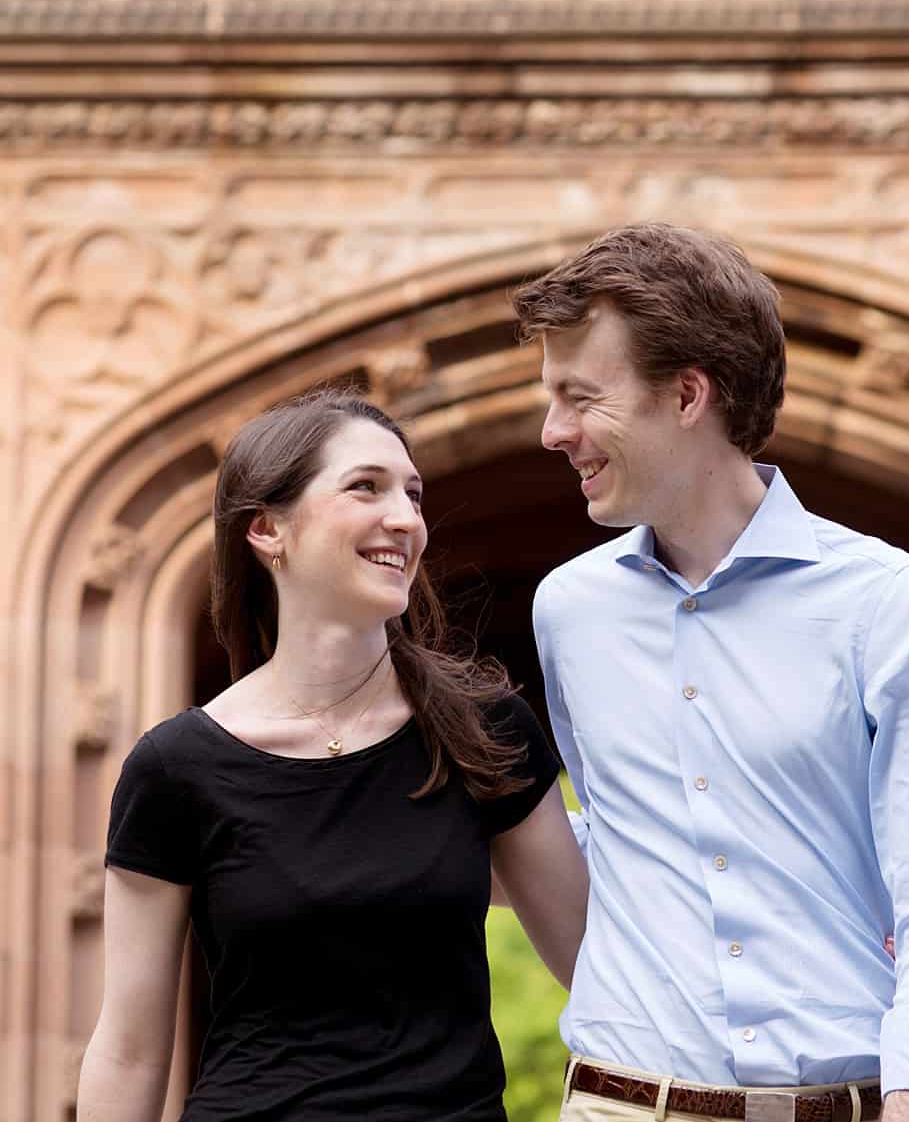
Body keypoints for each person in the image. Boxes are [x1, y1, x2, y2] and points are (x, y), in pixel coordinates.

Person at [511, 224, 909, 1122]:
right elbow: (620, 846)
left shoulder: (889, 600)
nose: (553, 432)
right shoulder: (568, 611)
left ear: (689, 393)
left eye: (580, 397)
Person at [78, 388, 587, 1122]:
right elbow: (128, 1048)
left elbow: (595, 963)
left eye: (413, 494)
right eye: (366, 487)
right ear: (267, 530)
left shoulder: (483, 729)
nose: (405, 518)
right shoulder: (175, 767)